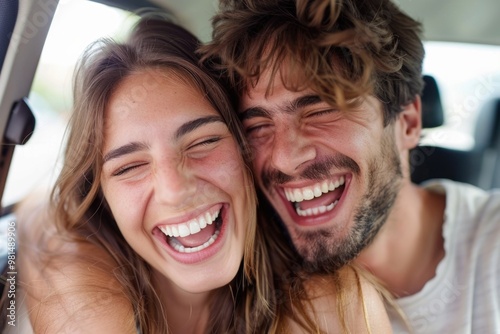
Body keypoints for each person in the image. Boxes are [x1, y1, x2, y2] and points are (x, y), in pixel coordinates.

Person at [10, 15, 391, 333]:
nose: (175, 190)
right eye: (129, 167)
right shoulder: (41, 300)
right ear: (102, 196)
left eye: (202, 142)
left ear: (247, 150)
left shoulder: (333, 310)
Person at [200, 0, 500, 333]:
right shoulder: (251, 291)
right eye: (257, 127)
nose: (286, 158)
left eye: (322, 111)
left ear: (409, 123)